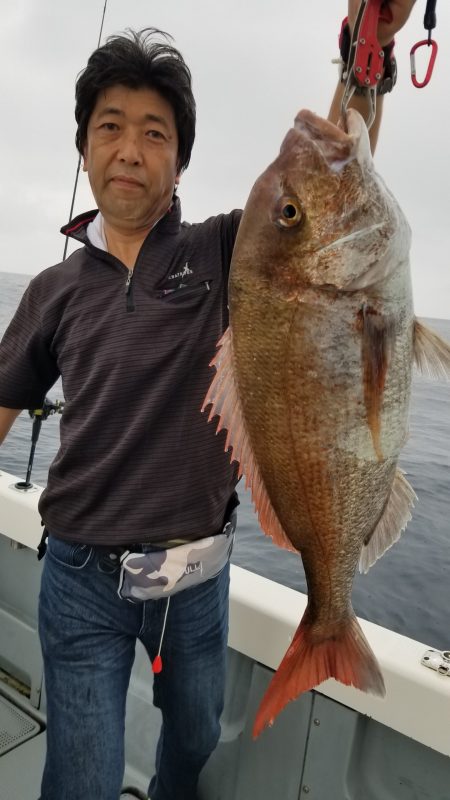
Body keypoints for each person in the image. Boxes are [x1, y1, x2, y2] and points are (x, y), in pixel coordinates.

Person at [0, 3, 416, 798]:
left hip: (199, 580)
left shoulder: (228, 252)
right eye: (111, 126)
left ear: (181, 162)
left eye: (156, 132)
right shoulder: (52, 291)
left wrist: (366, 58)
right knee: (79, 778)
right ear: (85, 147)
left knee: (190, 742)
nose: (131, 149)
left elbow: (326, 186)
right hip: (80, 575)